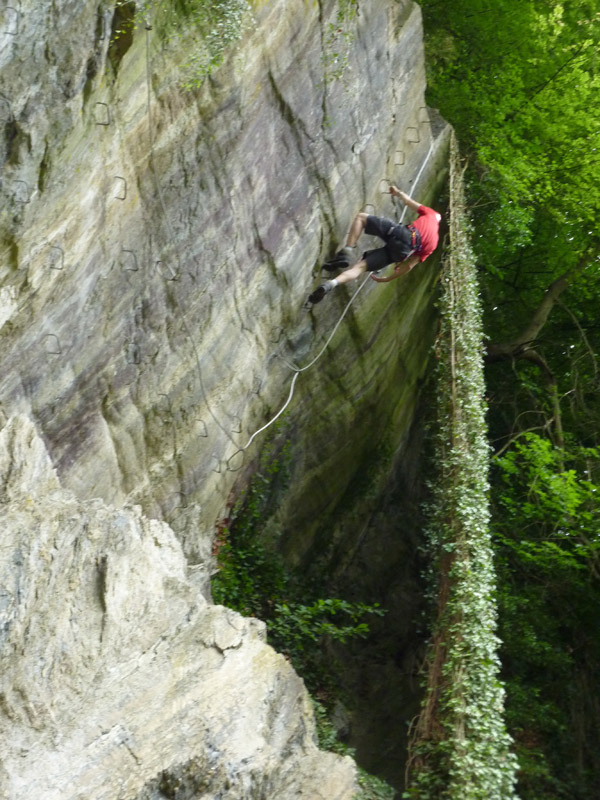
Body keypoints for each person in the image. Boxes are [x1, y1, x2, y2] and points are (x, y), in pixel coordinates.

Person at [308, 185, 442, 304]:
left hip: (404, 234)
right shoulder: (433, 244)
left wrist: (397, 192)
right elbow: (409, 266)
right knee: (360, 268)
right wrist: (388, 278)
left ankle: (347, 252)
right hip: (402, 252)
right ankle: (330, 284)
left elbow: (408, 202)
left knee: (361, 218)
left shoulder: (431, 214)